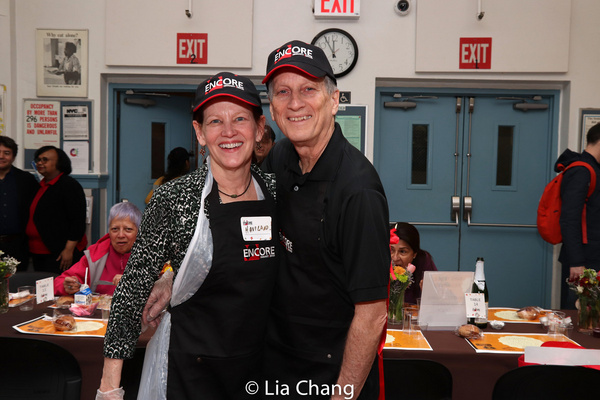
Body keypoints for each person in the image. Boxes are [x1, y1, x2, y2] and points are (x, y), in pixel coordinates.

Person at [97, 72, 278, 400]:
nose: (228, 132)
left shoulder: (278, 195)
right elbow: (134, 287)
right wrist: (110, 385)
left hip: (261, 368)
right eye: (214, 122)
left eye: (240, 119)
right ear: (200, 133)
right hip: (190, 371)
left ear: (259, 127)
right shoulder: (174, 197)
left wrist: (171, 278)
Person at [261, 40, 390, 400]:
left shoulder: (358, 190)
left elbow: (372, 313)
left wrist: (343, 394)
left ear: (333, 101)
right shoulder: (280, 157)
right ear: (272, 108)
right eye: (283, 92)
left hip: (331, 374)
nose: (295, 103)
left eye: (308, 90)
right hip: (277, 363)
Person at [54, 202, 141, 296]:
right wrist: (67, 286)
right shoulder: (96, 255)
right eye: (114, 229)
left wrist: (135, 284)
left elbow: (157, 290)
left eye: (128, 229)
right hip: (99, 309)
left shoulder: (151, 256)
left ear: (139, 232)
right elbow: (58, 283)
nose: (120, 235)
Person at [558, 122, 600, 308]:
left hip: (592, 257)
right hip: (583, 262)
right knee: (578, 317)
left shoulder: (593, 169)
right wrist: (576, 263)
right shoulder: (582, 171)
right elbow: (569, 219)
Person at [26, 146, 87, 273]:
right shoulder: (40, 185)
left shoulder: (69, 186)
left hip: (59, 253)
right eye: (38, 160)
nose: (40, 163)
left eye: (45, 160)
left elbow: (77, 221)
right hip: (38, 252)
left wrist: (68, 250)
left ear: (59, 163)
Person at [0, 137, 39, 269]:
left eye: (6, 153)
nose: (1, 156)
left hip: (17, 244)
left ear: (13, 156)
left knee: (17, 282)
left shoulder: (26, 179)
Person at [390, 222, 438, 304]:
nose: (395, 258)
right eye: (391, 250)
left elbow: (439, 303)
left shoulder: (423, 261)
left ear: (414, 254)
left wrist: (429, 294)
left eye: (402, 251)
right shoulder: (378, 262)